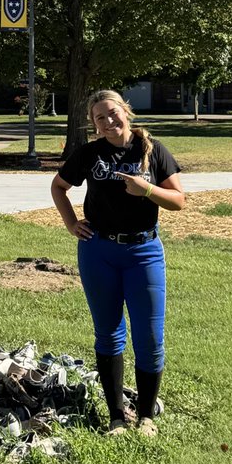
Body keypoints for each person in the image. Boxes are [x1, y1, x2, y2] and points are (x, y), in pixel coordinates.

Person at [50, 90, 184, 436]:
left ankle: (146, 417)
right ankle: (116, 418)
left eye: (113, 113)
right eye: (100, 118)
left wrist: (148, 190)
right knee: (108, 334)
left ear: (126, 112)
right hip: (99, 252)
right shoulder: (90, 153)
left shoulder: (153, 151)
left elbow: (179, 200)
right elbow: (59, 186)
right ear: (93, 125)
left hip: (144, 254)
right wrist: (70, 222)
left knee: (149, 337)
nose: (108, 122)